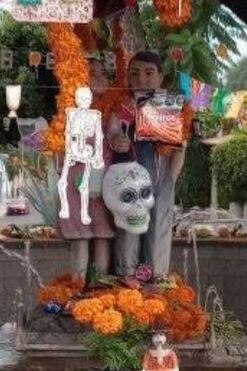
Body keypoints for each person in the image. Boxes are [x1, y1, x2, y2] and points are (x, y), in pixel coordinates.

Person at [106, 52, 186, 277]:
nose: (141, 79)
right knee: (129, 229)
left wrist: (170, 179)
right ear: (128, 78)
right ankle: (126, 279)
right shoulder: (121, 106)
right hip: (128, 178)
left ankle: (156, 281)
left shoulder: (169, 106)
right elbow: (111, 132)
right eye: (135, 73)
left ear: (160, 77)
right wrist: (116, 140)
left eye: (149, 73)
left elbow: (180, 147)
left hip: (162, 178)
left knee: (158, 231)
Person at [57, 56, 115, 278]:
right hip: (75, 177)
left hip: (104, 176)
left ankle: (99, 287)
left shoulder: (113, 108)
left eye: (102, 73)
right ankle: (77, 287)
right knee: (80, 234)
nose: (99, 78)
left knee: (102, 233)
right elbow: (59, 143)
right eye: (93, 73)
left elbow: (114, 135)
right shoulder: (68, 109)